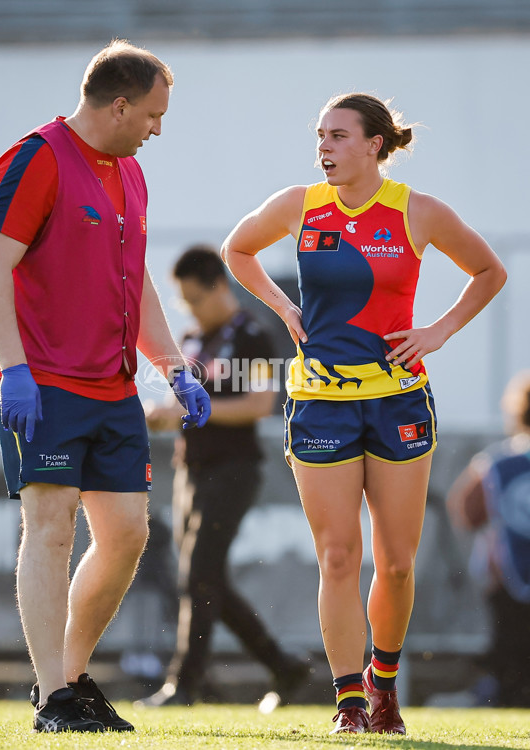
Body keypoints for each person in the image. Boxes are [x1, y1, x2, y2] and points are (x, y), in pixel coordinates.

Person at [221, 93, 507, 734]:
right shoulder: (300, 205)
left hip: (398, 398)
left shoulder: (419, 212)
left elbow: (489, 271)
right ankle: (350, 703)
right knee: (338, 557)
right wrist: (281, 308)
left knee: (398, 561)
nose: (324, 147)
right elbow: (236, 250)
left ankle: (384, 682)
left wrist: (439, 331)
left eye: (339, 136)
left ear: (375, 144)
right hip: (320, 400)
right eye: (320, 135)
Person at [0, 40, 210, 733]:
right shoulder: (35, 158)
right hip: (40, 379)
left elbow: (135, 281)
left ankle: (69, 677)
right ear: (120, 104)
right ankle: (52, 697)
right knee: (50, 528)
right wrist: (12, 367)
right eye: (154, 116)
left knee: (128, 535)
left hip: (114, 385)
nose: (158, 130)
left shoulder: (129, 174)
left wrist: (173, 366)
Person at [136, 245, 310, 710]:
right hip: (191, 469)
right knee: (203, 578)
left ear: (217, 285)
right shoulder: (191, 340)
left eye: (193, 298)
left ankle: (185, 684)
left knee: (199, 576)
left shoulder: (252, 335)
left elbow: (258, 405)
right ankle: (283, 665)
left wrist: (193, 413)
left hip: (234, 470)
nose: (188, 309)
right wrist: (166, 416)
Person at [447, 371, 530, 707]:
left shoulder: (498, 462)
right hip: (508, 575)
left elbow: (466, 512)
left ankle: (510, 693)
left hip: (507, 574)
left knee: (511, 651)